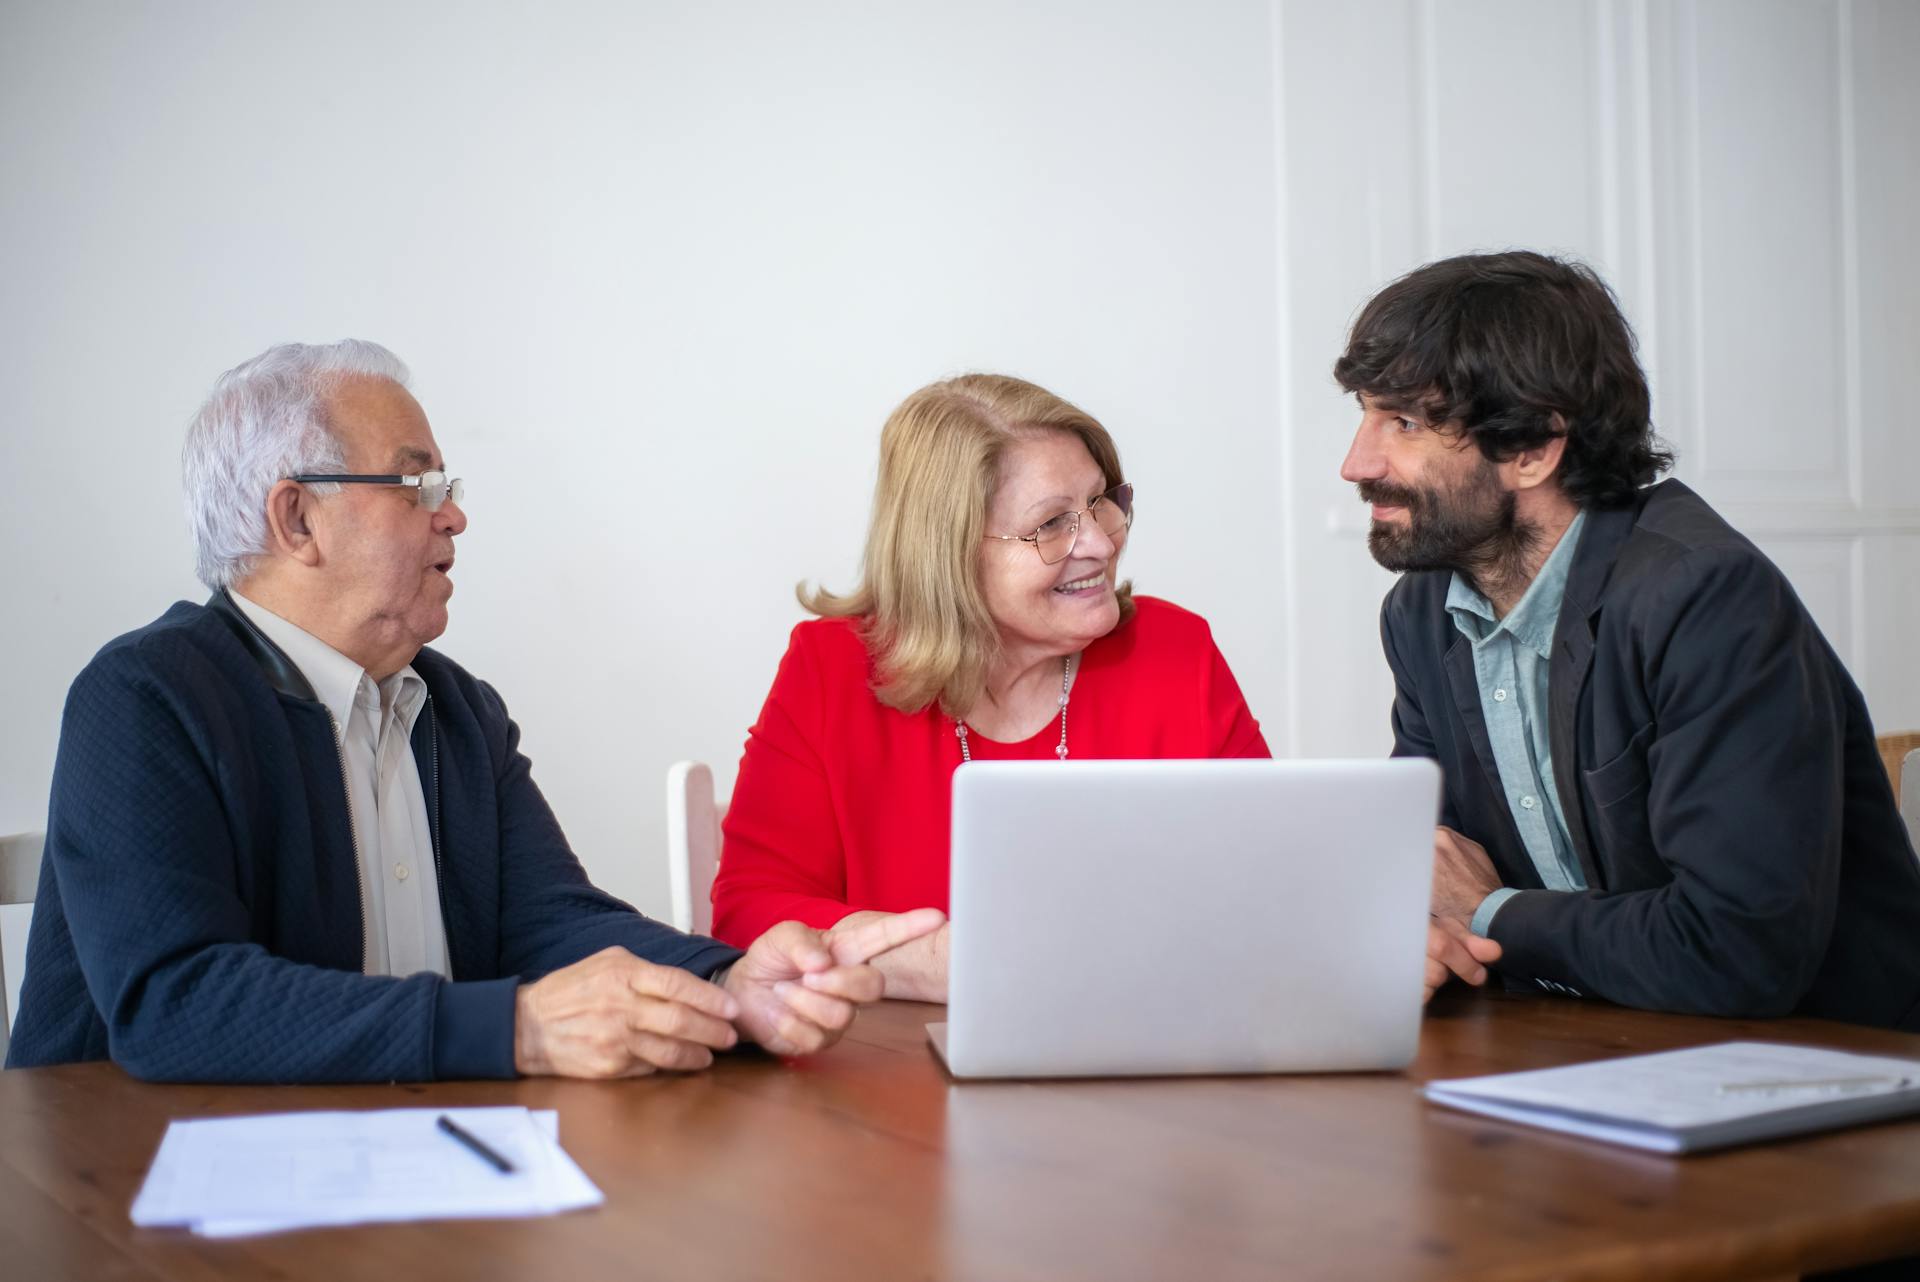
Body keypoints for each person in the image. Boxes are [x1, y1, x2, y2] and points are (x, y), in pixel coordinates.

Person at [6, 340, 941, 1083]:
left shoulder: (455, 708)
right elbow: (179, 1002)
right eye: (419, 486)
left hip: (407, 1164)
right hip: (136, 1190)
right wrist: (520, 1026)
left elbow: (552, 923)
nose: (454, 517)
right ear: (295, 521)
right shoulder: (144, 697)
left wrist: (731, 983)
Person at [1334, 250, 1920, 1026]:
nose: (1356, 462)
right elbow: (1427, 866)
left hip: (1824, 1078)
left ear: (1534, 449)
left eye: (1404, 422)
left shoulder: (1706, 598)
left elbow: (1736, 954)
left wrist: (1490, 911)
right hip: (1587, 1054)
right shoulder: (1421, 614)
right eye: (1366, 415)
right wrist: (1421, 922)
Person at [710, 374, 1269, 1001]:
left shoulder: (1177, 652)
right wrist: (936, 961)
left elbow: (1266, 885)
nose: (1099, 542)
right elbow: (748, 914)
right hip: (891, 1079)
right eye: (1052, 523)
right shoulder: (831, 669)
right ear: (948, 554)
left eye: (1100, 502)